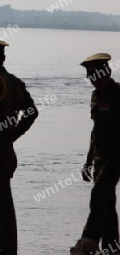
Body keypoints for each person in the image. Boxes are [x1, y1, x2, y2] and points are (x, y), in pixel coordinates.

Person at [0, 36, 38, 255]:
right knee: (5, 207)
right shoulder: (15, 82)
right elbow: (32, 112)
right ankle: (6, 248)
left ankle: (1, 248)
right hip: (7, 153)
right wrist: (12, 136)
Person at [70, 53, 120, 255]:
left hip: (116, 156)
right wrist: (88, 161)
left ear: (106, 72)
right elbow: (95, 130)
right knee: (107, 204)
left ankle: (88, 241)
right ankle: (112, 248)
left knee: (98, 195)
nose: (93, 80)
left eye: (96, 75)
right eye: (90, 76)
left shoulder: (118, 95)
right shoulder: (96, 96)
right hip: (100, 157)